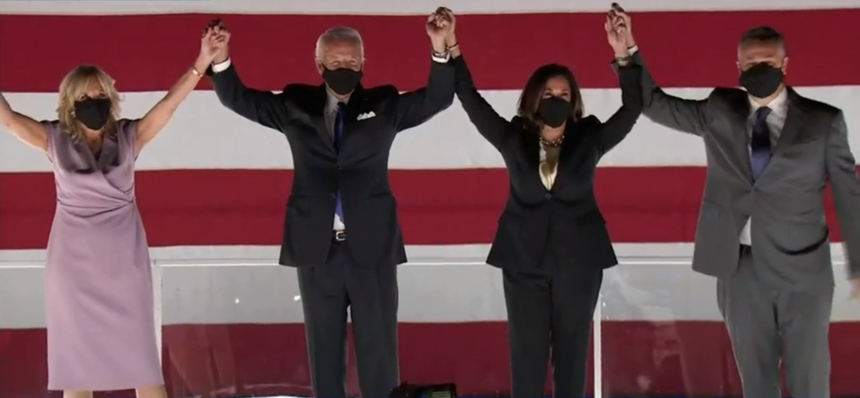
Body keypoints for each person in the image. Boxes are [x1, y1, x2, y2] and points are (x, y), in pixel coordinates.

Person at [610, 4, 860, 397]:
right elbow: (655, 104)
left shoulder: (823, 121)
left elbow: (850, 196)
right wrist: (626, 55)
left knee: (809, 380)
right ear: (737, 66)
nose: (759, 66)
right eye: (750, 61)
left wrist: (858, 264)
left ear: (785, 64)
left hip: (804, 273)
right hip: (740, 270)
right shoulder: (719, 109)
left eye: (768, 60)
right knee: (756, 382)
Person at [203, 11, 455, 398]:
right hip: (316, 248)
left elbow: (437, 97)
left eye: (352, 61)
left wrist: (440, 47)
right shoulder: (294, 104)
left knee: (380, 357)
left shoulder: (384, 104)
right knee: (324, 357)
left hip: (372, 248)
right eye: (335, 62)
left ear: (363, 63)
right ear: (319, 64)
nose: (344, 68)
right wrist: (219, 58)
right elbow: (238, 98)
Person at [0, 27, 227, 398]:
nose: (94, 98)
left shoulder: (128, 136)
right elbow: (7, 119)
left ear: (111, 97)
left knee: (142, 363)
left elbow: (169, 105)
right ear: (70, 103)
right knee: (78, 369)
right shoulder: (54, 138)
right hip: (73, 270)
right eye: (86, 94)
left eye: (100, 93)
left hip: (125, 266)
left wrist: (202, 62)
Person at [444, 8, 643, 398]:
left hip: (580, 264)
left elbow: (634, 106)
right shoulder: (513, 137)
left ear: (575, 101)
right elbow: (468, 97)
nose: (557, 99)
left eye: (564, 94)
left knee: (572, 360)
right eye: (549, 93)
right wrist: (451, 46)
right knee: (527, 360)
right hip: (523, 264)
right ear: (535, 97)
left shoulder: (590, 136)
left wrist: (625, 54)